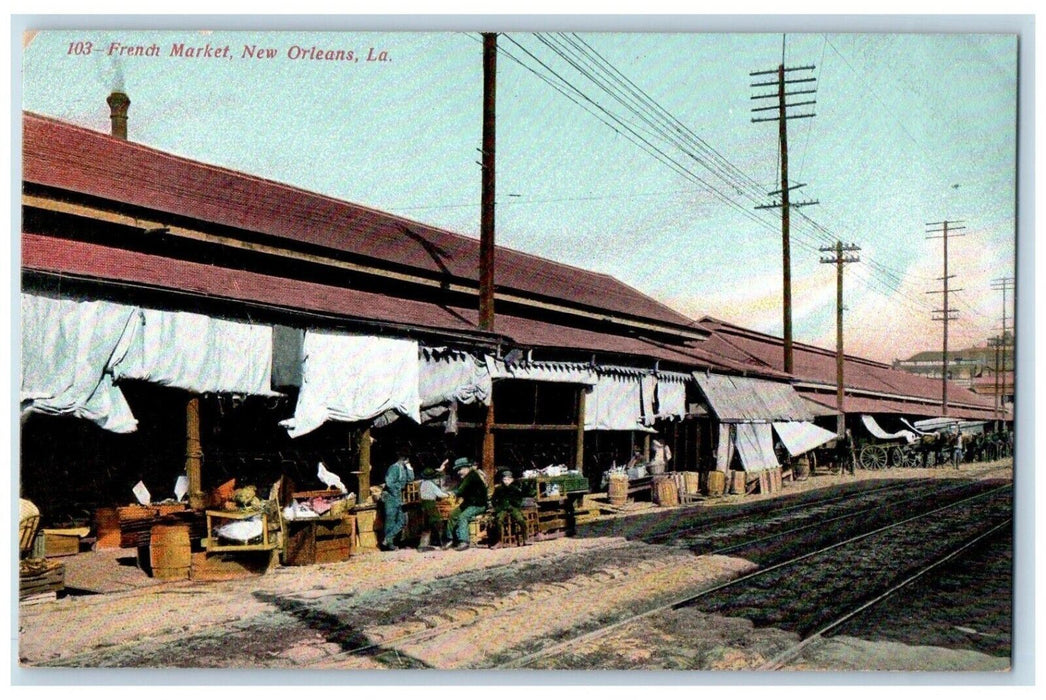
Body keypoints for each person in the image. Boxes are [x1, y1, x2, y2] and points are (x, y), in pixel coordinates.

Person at [443, 457, 488, 551]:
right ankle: (450, 539)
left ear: (466, 468)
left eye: (460, 469)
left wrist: (450, 493)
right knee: (453, 515)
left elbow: (460, 490)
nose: (459, 472)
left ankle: (464, 541)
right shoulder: (466, 477)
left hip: (478, 505)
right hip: (468, 504)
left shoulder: (472, 476)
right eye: (458, 470)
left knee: (463, 517)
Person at [381, 443, 414, 551]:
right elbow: (389, 482)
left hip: (398, 497)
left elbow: (410, 479)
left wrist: (409, 468)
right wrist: (397, 492)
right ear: (404, 458)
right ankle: (389, 544)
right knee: (391, 520)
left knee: (402, 520)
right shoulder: (394, 468)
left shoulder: (404, 468)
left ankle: (388, 539)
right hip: (391, 497)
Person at [490, 469, 527, 549]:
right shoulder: (498, 489)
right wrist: (497, 507)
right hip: (502, 508)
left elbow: (519, 499)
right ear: (502, 480)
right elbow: (493, 500)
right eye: (504, 479)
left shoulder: (515, 489)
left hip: (513, 507)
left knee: (520, 520)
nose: (506, 481)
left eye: (508, 479)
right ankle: (499, 541)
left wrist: (516, 505)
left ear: (512, 480)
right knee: (498, 521)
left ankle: (525, 539)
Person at [416, 465, 449, 552]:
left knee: (426, 526)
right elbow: (440, 494)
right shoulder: (431, 484)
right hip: (430, 504)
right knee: (438, 523)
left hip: (423, 504)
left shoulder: (422, 484)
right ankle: (443, 543)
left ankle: (422, 545)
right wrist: (448, 494)